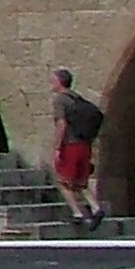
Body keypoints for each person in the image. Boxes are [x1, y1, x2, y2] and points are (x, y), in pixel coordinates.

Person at [50, 68, 106, 231]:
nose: (51, 83)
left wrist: (57, 147)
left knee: (63, 181)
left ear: (60, 82)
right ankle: (96, 208)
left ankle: (77, 213)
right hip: (84, 145)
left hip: (70, 145)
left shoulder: (60, 100)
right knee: (80, 182)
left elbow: (62, 124)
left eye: (53, 80)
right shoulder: (76, 98)